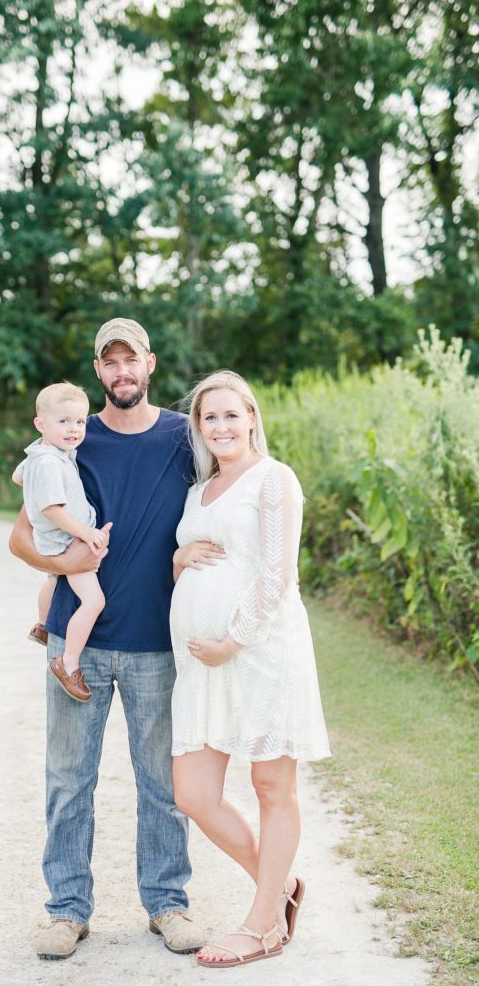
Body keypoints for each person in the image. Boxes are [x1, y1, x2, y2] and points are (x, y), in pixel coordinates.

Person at [8, 318, 204, 961]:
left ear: (150, 363)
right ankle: (66, 911)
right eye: (110, 362)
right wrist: (63, 564)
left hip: (158, 642)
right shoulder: (70, 437)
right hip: (79, 642)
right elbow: (20, 537)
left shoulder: (184, 436)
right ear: (98, 371)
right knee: (68, 782)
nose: (122, 371)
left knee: (163, 785)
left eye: (131, 359)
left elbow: (233, 492)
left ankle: (168, 903)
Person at [169, 369, 330, 969]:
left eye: (231, 415)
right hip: (204, 665)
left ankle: (263, 925)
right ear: (198, 426)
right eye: (209, 417)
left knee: (270, 786)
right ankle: (280, 886)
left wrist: (232, 640)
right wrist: (180, 556)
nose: (220, 426)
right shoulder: (199, 489)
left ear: (252, 418)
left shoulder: (273, 479)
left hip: (261, 652)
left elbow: (277, 574)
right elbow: (191, 563)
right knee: (194, 793)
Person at [11, 382, 109, 703]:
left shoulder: (41, 453)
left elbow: (17, 477)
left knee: (53, 579)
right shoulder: (50, 462)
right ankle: (68, 663)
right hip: (66, 541)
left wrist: (32, 485)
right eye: (64, 421)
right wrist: (85, 532)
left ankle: (42, 624)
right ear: (41, 424)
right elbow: (51, 509)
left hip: (51, 539)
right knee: (93, 602)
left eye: (80, 421)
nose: (74, 429)